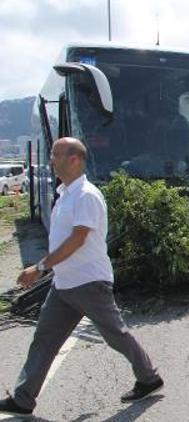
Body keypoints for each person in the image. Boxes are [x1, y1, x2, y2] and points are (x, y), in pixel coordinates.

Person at [0, 138, 163, 418]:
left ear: (74, 159)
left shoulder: (86, 195)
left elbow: (77, 240)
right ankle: (24, 399)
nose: (51, 159)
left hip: (89, 282)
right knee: (45, 338)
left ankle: (149, 377)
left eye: (55, 154)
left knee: (116, 335)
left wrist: (40, 267)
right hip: (64, 284)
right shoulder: (66, 193)